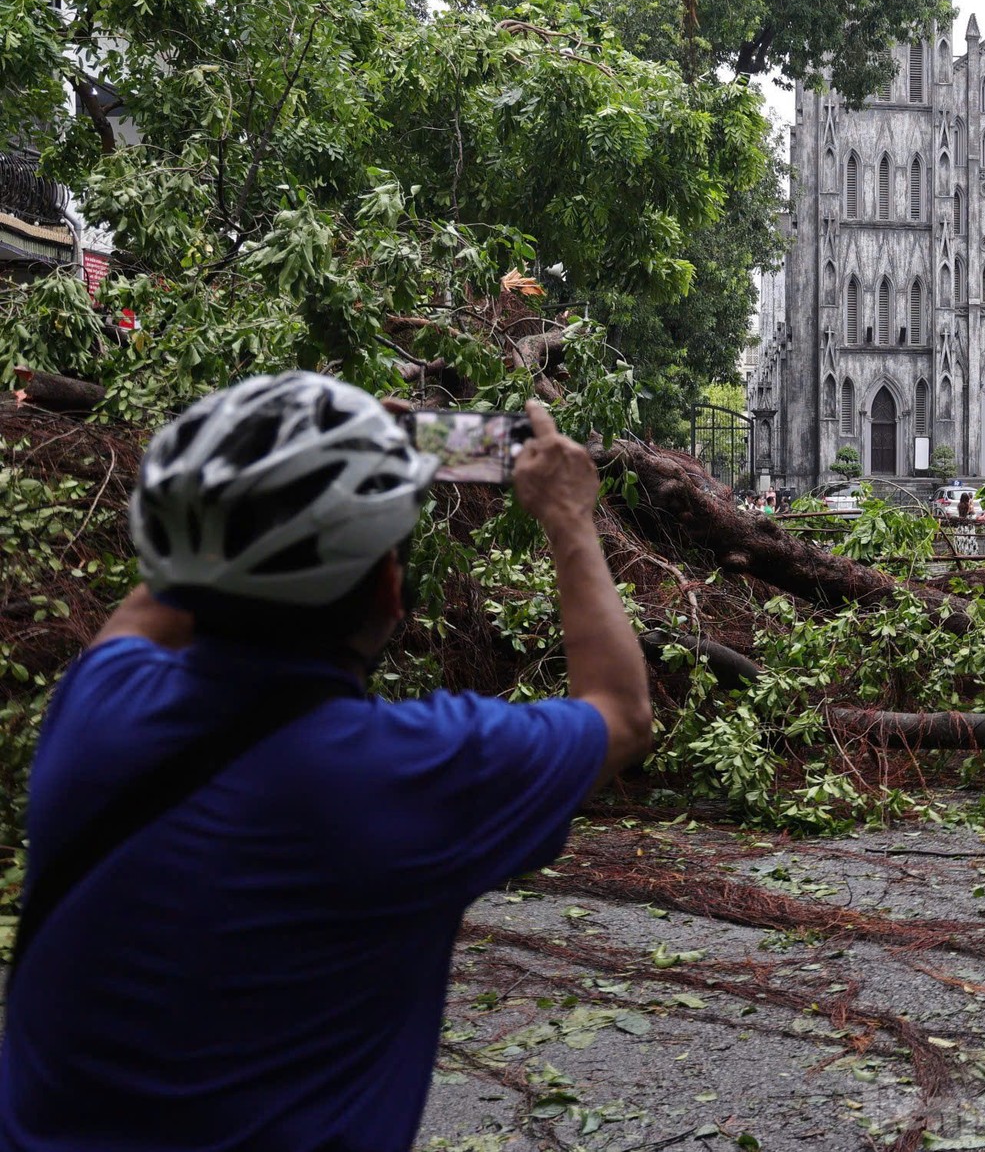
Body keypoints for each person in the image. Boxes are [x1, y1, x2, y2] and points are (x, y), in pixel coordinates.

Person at [0, 372, 652, 1151]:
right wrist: (570, 518)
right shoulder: (412, 770)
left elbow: (176, 583)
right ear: (389, 586)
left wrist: (285, 470)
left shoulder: (97, 710)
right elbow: (620, 710)